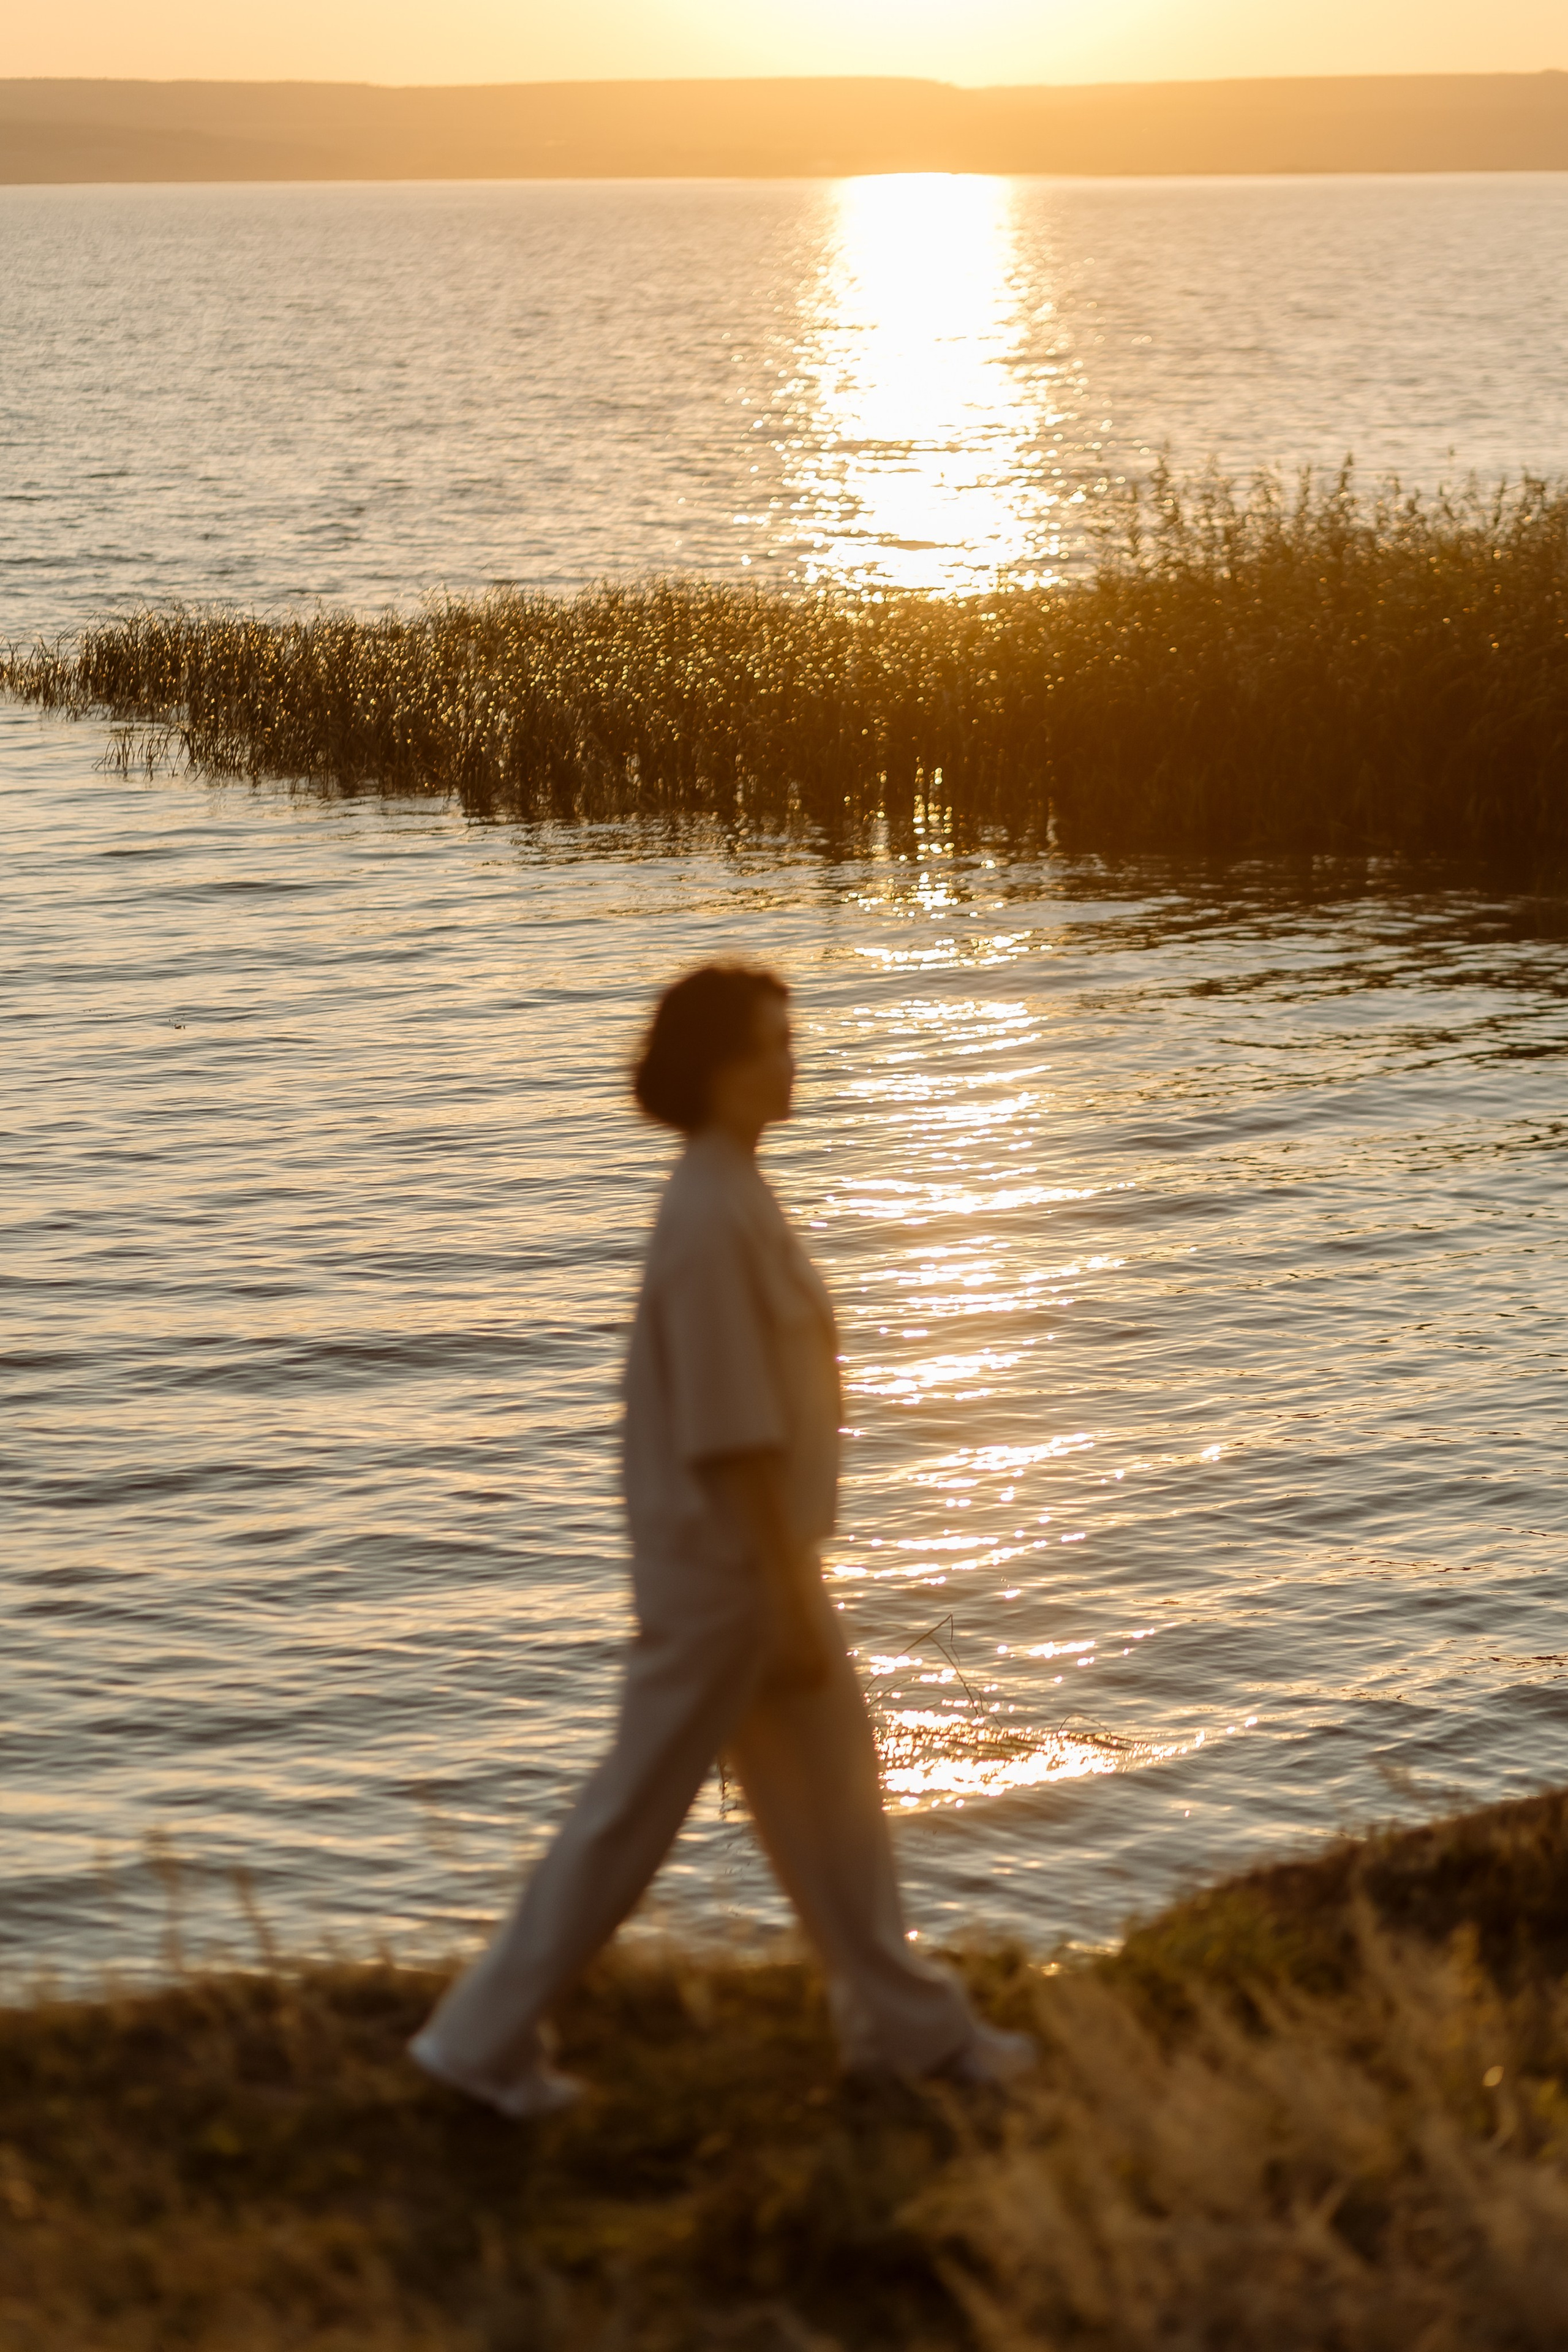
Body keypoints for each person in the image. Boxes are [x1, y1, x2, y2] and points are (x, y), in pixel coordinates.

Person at [410, 962, 1034, 2116]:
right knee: (630, 1823)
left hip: (757, 1570)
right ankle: (473, 2044)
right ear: (715, 1068)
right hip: (730, 1583)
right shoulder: (705, 1211)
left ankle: (902, 2032)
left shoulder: (734, 1189)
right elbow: (731, 1432)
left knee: (835, 1807)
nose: (792, 1061)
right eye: (769, 1045)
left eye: (789, 1039)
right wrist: (789, 1595)